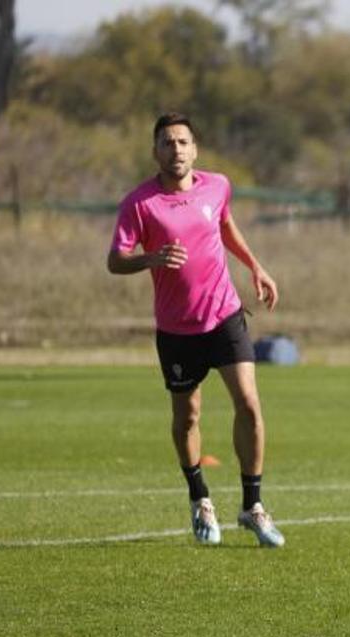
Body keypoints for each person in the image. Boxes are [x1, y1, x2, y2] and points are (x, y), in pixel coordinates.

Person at [107, 112, 285, 548]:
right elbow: (115, 259)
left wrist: (255, 267)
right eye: (167, 143)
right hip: (176, 329)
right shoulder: (139, 204)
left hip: (224, 315)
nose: (177, 149)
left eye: (183, 141)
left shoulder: (217, 185)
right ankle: (199, 498)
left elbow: (224, 225)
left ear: (195, 148)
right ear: (156, 151)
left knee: (249, 404)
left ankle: (253, 506)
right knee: (187, 416)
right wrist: (149, 259)